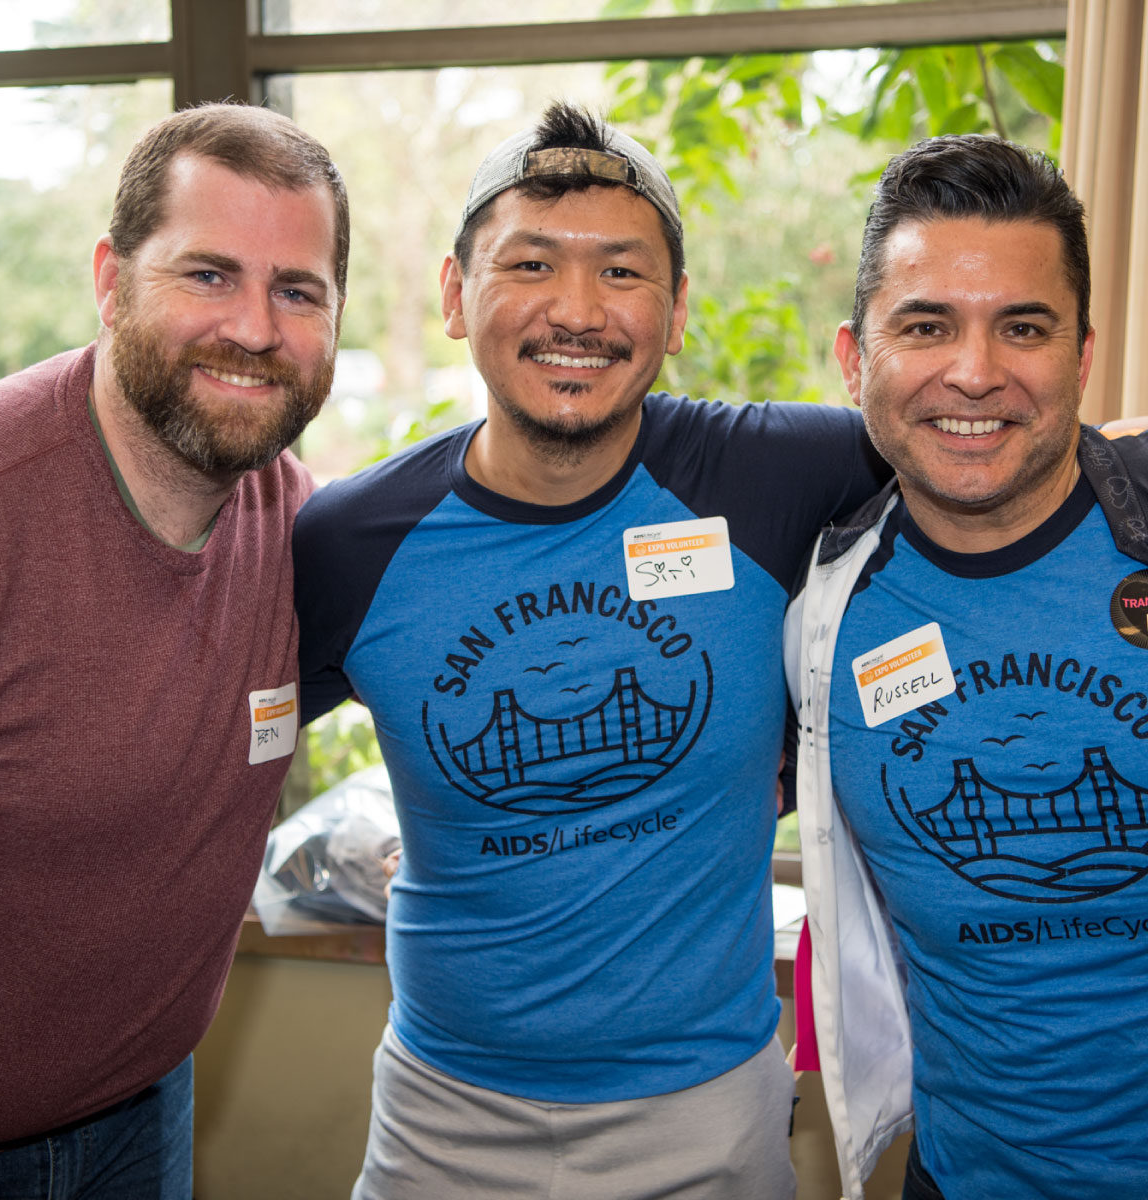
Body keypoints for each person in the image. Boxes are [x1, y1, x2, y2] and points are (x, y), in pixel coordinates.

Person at [294, 101, 889, 1200]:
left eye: (622, 272)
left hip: (708, 1111)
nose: (577, 312)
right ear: (454, 293)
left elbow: (998, 458)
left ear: (675, 314)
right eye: (530, 263)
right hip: (441, 1117)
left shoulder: (776, 476)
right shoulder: (351, 544)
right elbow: (201, 727)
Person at [0, 102, 348, 1198]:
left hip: (145, 1116)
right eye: (207, 275)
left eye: (298, 289)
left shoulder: (304, 534)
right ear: (112, 279)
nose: (256, 329)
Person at [784, 134, 1148, 1200]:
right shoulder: (816, 615)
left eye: (1023, 328)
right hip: (960, 1177)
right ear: (856, 361)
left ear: (1082, 359)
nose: (975, 372)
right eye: (927, 325)